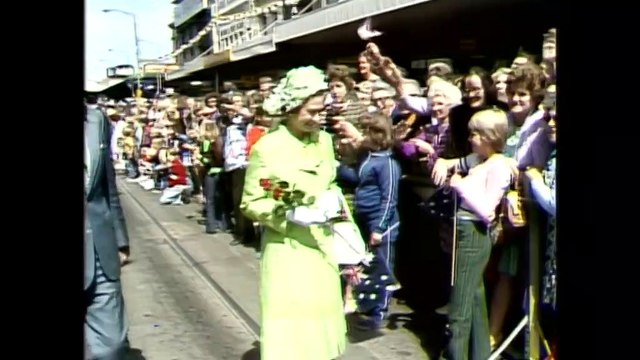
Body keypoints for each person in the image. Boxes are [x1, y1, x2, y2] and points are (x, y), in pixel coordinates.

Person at [241, 66, 347, 360]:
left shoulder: (324, 140)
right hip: (288, 250)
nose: (318, 117)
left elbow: (330, 180)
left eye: (322, 110)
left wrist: (333, 200)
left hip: (322, 245)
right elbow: (252, 201)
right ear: (290, 109)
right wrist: (289, 215)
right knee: (293, 335)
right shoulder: (267, 148)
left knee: (322, 328)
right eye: (311, 111)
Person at [85, 95, 130, 359]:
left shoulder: (97, 120)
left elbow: (108, 187)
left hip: (99, 247)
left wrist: (120, 239)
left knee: (112, 346)